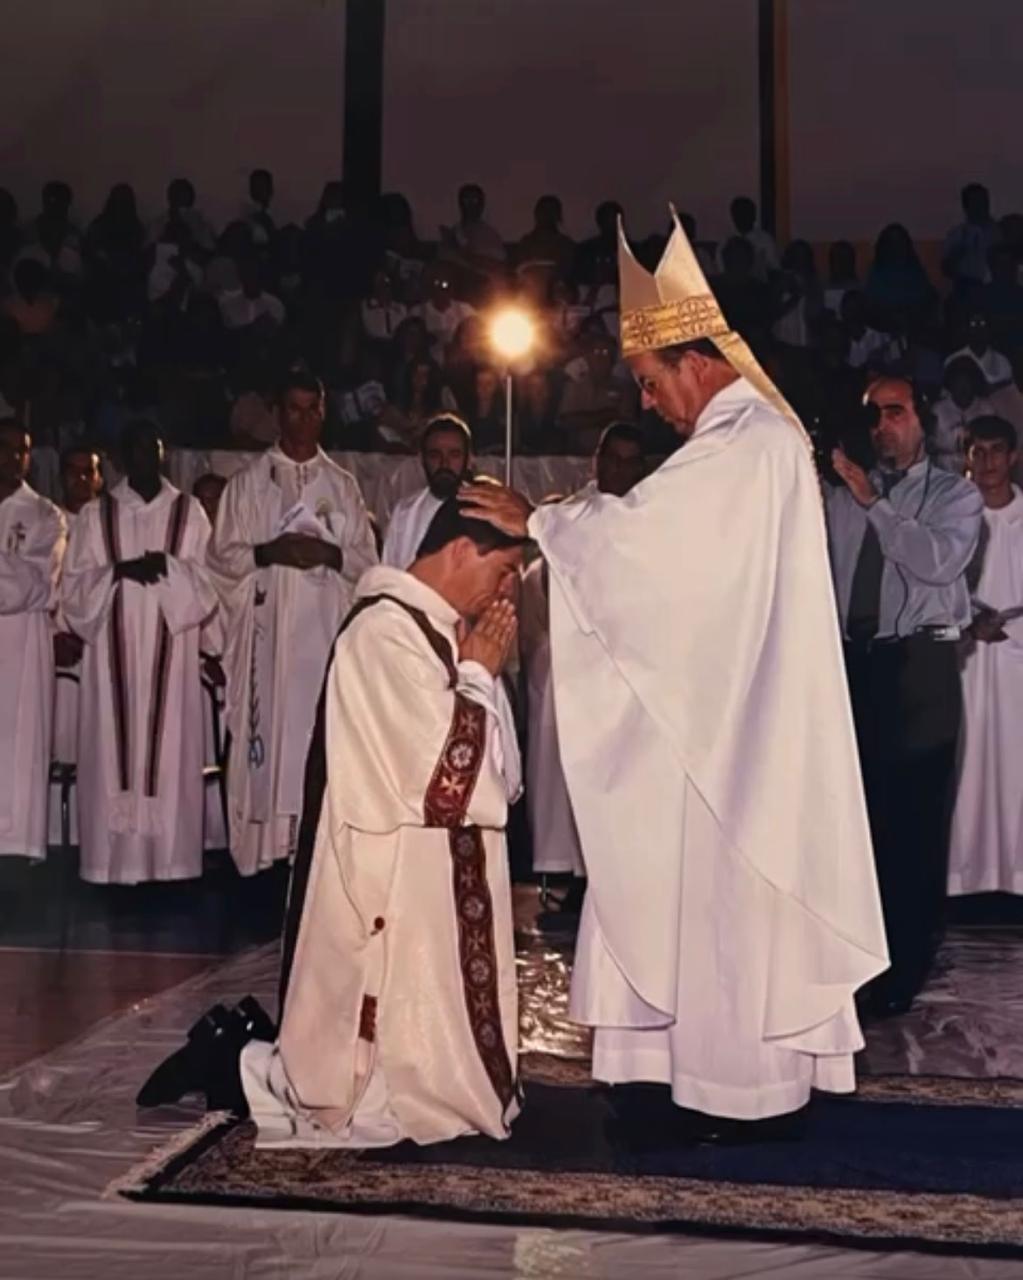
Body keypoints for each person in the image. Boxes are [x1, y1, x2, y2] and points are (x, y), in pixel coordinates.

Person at [462, 210, 887, 1141]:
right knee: (669, 872)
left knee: (721, 897)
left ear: (696, 361)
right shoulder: (735, 441)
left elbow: (649, 549)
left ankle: (740, 1090)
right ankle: (666, 1070)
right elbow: (663, 553)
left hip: (737, 730)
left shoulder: (751, 442)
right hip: (715, 708)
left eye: (652, 382)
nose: (648, 404)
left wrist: (541, 521)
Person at [237, 500, 524, 1146]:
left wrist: (478, 672)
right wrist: (477, 674)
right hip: (384, 881)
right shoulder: (384, 634)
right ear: (459, 550)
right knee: (383, 1080)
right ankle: (254, 1066)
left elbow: (499, 774)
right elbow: (441, 782)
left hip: (424, 874)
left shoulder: (441, 628)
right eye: (504, 570)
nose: (507, 591)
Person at [828, 376, 983, 1015]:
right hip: (853, 669)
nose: (883, 426)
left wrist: (876, 503)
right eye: (874, 416)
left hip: (920, 667)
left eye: (897, 412)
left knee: (914, 823)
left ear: (926, 421)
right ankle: (857, 961)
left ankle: (906, 967)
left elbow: (935, 563)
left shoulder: (957, 495)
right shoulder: (839, 500)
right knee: (857, 823)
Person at [208, 371, 378, 877]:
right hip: (267, 643)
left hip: (322, 639)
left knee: (316, 739)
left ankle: (316, 852)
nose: (302, 419)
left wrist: (329, 552)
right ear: (278, 413)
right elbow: (220, 561)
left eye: (312, 409)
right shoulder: (247, 484)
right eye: (293, 409)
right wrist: (268, 551)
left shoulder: (343, 487)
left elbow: (369, 567)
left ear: (324, 412)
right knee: (271, 741)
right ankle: (267, 858)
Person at [61, 421, 216, 883]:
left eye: (153, 450)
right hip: (111, 664)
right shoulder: (96, 516)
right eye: (135, 450)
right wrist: (118, 571)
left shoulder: (188, 514)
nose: (145, 458)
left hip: (172, 659)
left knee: (169, 752)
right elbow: (72, 592)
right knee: (111, 754)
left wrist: (166, 567)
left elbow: (208, 588)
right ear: (121, 457)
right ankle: (109, 869)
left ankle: (171, 867)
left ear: (163, 455)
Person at [520, 425, 647, 910]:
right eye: (612, 458)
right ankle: (576, 881)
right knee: (576, 775)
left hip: (631, 668)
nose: (620, 468)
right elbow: (551, 587)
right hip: (579, 663)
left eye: (631, 460)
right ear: (597, 460)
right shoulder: (571, 515)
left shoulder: (648, 515)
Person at [947, 417, 1023, 895]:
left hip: (1017, 656)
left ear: (1013, 457)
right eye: (980, 452)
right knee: (967, 765)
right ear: (966, 458)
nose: (990, 462)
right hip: (968, 658)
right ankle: (963, 880)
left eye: (998, 451)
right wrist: (971, 624)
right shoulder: (953, 518)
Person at [0, 421, 66, 861]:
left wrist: (15, 576)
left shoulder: (46, 515)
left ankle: (16, 858)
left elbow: (35, 586)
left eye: (21, 450)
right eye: (3, 448)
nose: (12, 457)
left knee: (16, 751)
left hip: (21, 648)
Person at [51, 448, 103, 772]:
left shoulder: (109, 526)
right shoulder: (47, 521)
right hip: (55, 649)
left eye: (89, 472)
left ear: (100, 478)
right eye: (74, 472)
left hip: (95, 649)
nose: (81, 480)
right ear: (61, 478)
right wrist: (56, 634)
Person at [382, 414, 474, 568]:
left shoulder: (485, 513)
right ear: (422, 460)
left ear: (469, 460)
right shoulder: (404, 512)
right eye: (435, 455)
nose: (445, 464)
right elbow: (389, 575)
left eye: (454, 455)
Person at [932, 356, 994, 474]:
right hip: (945, 474)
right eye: (958, 382)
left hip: (979, 472)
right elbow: (933, 446)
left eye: (967, 382)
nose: (963, 387)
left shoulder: (986, 408)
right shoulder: (938, 410)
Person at [943, 183, 999, 292]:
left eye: (983, 201)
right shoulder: (956, 235)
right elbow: (946, 270)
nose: (980, 205)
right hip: (967, 287)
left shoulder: (1000, 231)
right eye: (975, 201)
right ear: (966, 206)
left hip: (997, 287)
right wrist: (956, 256)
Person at [945, 313, 1012, 391]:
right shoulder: (953, 360)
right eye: (973, 324)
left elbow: (1010, 393)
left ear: (989, 329)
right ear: (966, 329)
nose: (978, 328)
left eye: (982, 323)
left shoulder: (1003, 362)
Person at [722, 196, 778, 281]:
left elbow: (774, 268)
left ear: (754, 215)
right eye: (739, 213)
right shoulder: (725, 241)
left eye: (746, 213)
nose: (742, 217)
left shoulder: (765, 240)